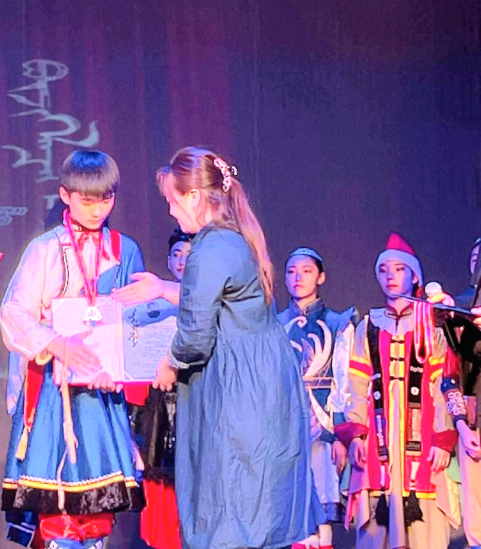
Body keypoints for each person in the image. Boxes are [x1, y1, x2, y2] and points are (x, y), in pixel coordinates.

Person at [113, 146, 319, 549]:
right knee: (254, 504)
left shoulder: (209, 248)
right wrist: (163, 287)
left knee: (232, 503)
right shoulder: (234, 238)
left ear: (193, 196)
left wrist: (169, 364)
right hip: (259, 382)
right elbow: (224, 301)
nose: (171, 211)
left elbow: (195, 334)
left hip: (238, 390)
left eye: (173, 201)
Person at [0, 149, 145, 549]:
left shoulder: (125, 250)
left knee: (97, 508)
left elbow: (135, 323)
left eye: (106, 199)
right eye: (87, 200)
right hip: (54, 392)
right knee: (57, 502)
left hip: (102, 394)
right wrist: (56, 343)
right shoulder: (45, 249)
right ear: (65, 195)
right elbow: (13, 313)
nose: (97, 210)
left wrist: (122, 371)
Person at [335, 233, 456, 549]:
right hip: (380, 440)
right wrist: (357, 434)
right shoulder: (368, 326)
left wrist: (443, 438)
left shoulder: (431, 325)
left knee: (425, 531)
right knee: (378, 531)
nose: (390, 276)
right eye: (383, 269)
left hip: (423, 438)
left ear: (414, 276)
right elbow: (356, 384)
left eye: (399, 269)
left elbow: (442, 385)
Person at [277, 247, 358, 549]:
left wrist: (340, 435)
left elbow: (344, 380)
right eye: (291, 271)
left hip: (324, 427)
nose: (298, 277)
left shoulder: (338, 323)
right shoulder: (274, 325)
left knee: (322, 509)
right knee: (289, 506)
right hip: (282, 428)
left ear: (320, 277)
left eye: (307, 271)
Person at [131, 228, 192, 549]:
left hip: (196, 404)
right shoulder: (151, 306)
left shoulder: (211, 306)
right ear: (168, 261)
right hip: (158, 410)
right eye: (176, 255)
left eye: (189, 255)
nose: (182, 261)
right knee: (160, 494)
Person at [440, 236, 481, 549]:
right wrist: (463, 427)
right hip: (475, 424)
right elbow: (449, 377)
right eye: (476, 257)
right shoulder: (460, 317)